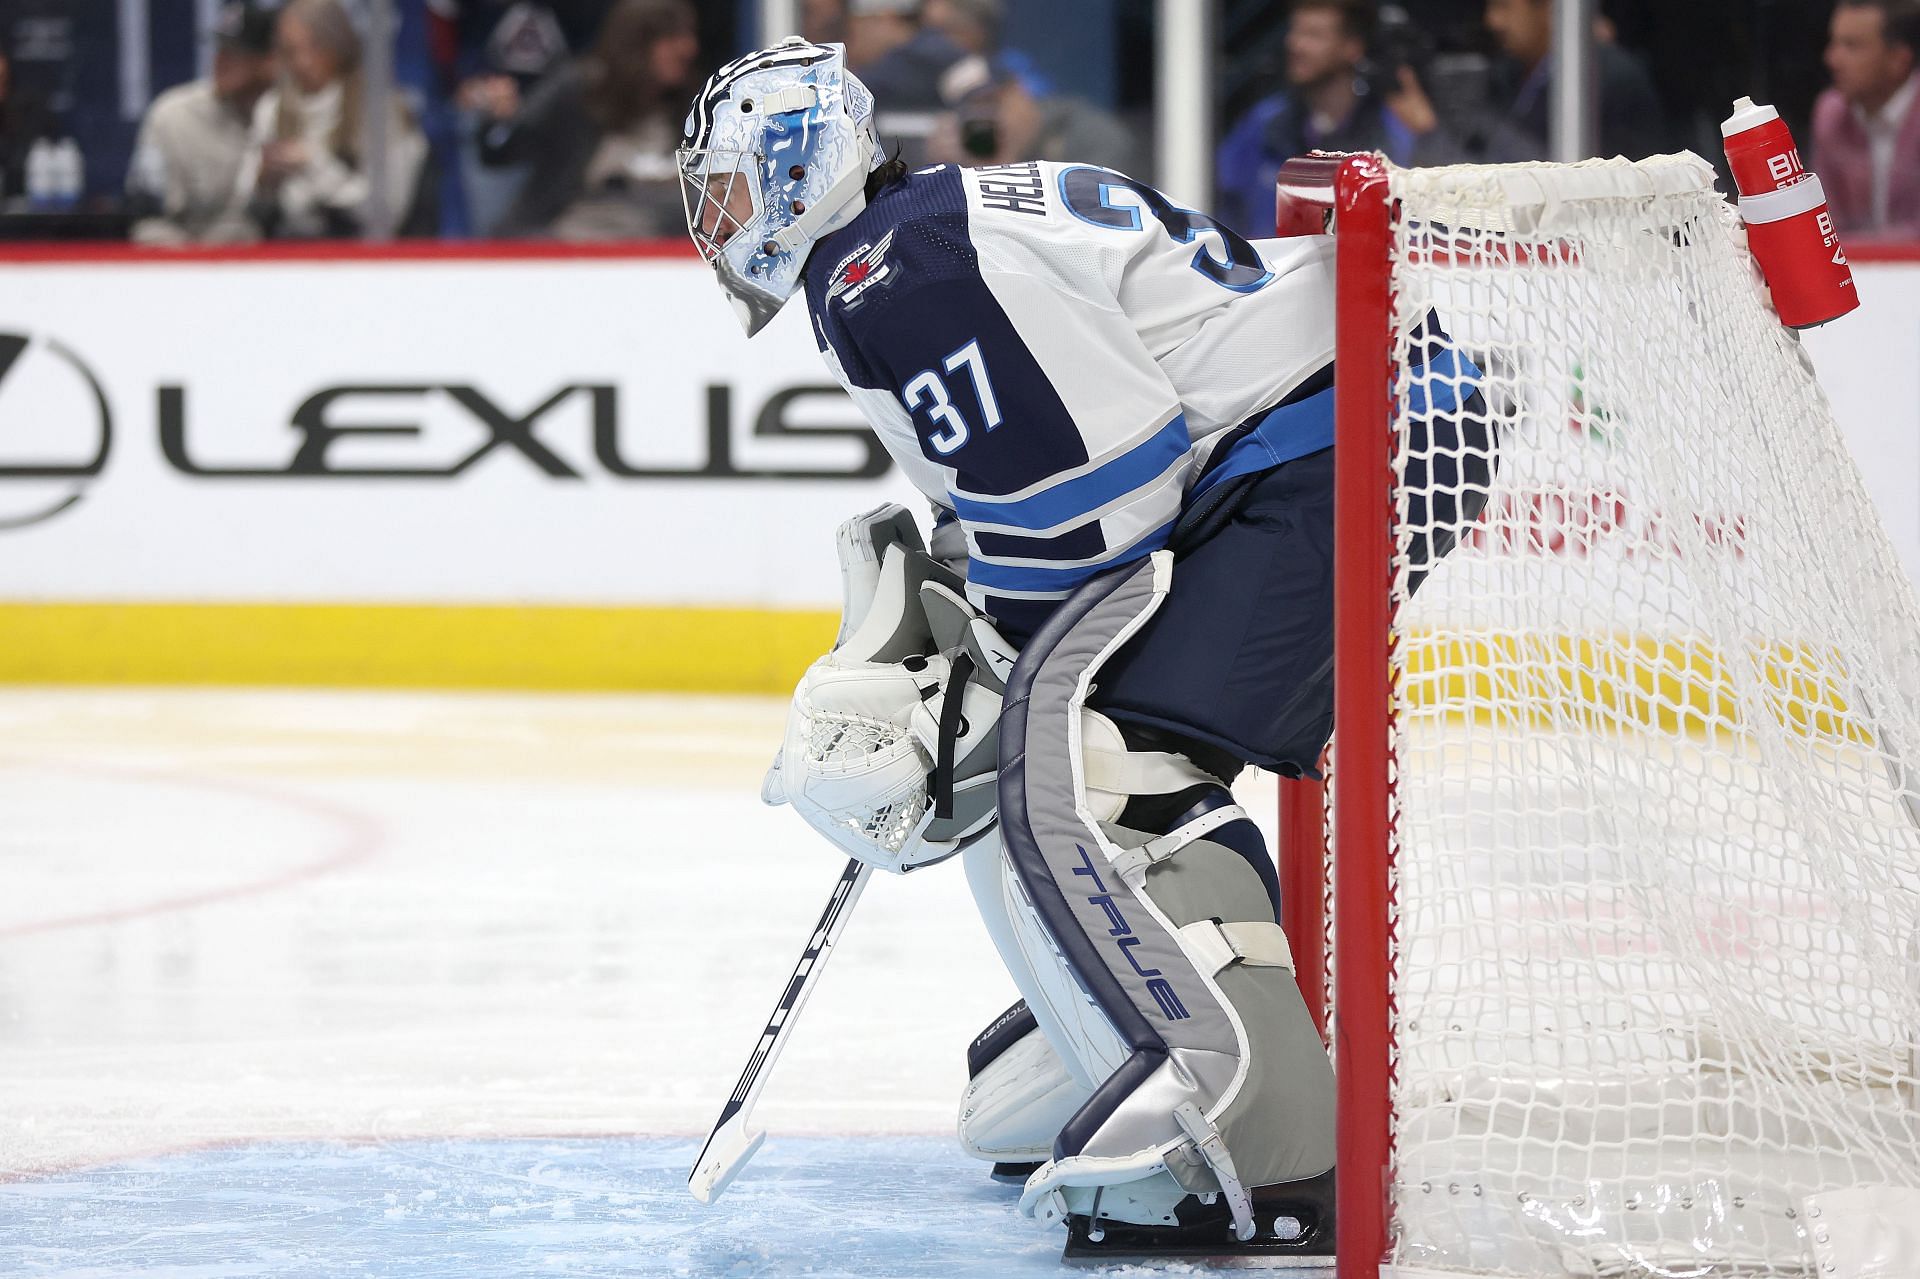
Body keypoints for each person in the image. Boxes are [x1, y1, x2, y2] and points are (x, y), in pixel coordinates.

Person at [677, 39, 1491, 1258]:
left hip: (1350, 436)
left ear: (798, 167)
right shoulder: (898, 246)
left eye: (729, 185)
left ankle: (1250, 1123)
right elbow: (1040, 492)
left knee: (1107, 759)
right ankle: (1134, 1031)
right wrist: (973, 635)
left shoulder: (896, 271)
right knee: (1047, 735)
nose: (718, 219)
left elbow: (1107, 503)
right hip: (1327, 430)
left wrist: (985, 661)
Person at [1215, 0, 1447, 237]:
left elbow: (1425, 214)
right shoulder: (1264, 122)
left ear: (1352, 47)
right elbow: (1225, 205)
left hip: (1362, 268)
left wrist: (1426, 131)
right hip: (1271, 268)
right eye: (1295, 32)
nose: (1295, 44)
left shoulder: (1393, 124)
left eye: (1313, 35)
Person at [474, 0, 698, 239]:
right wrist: (500, 120)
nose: (689, 48)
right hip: (571, 227)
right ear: (638, 44)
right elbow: (501, 149)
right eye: (673, 37)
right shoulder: (580, 88)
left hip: (654, 229)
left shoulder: (690, 102)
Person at [238, 0, 430, 238]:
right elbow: (243, 203)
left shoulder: (379, 109)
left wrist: (314, 165)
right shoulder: (272, 107)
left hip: (361, 252)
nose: (302, 61)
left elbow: (387, 212)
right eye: (290, 51)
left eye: (314, 47)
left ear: (338, 44)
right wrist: (264, 180)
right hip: (290, 249)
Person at [126, 0, 277, 245]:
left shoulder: (285, 115)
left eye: (237, 53)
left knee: (242, 233)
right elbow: (148, 213)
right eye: (220, 48)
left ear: (270, 62)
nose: (221, 60)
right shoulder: (173, 114)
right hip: (180, 262)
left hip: (256, 266)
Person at [1475, 0, 1665, 162]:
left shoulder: (1610, 80)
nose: (1492, 21)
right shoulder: (1503, 74)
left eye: (1503, 6)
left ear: (1548, 8)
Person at [930, 54, 1137, 175]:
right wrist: (947, 174)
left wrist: (1006, 173)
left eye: (993, 103)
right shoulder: (968, 159)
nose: (990, 120)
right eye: (974, 114)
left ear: (1020, 92)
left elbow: (1094, 227)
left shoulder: (1092, 136)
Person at [1814, 0, 1920, 235]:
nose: (1832, 59)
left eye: (1852, 46)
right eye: (1834, 42)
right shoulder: (1830, 114)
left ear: (1898, 59)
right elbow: (1826, 225)